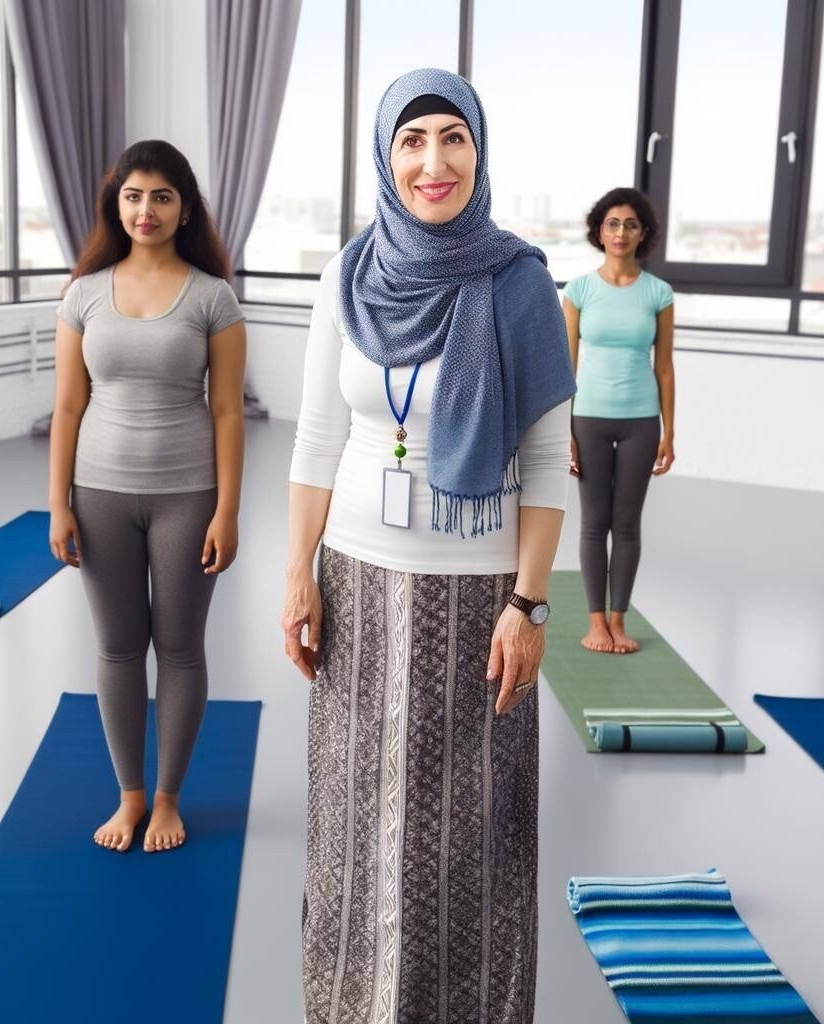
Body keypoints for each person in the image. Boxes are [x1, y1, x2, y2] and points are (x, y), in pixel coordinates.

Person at [283, 69, 575, 1023]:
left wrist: (528, 606)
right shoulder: (349, 275)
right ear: (384, 155)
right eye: (412, 142)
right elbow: (317, 439)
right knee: (354, 821)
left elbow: (543, 459)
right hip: (359, 581)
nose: (433, 162)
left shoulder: (521, 283)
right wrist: (299, 575)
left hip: (476, 591)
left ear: (480, 152)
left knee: (472, 834)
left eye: (454, 138)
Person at [46, 140, 247, 855]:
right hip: (98, 493)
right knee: (118, 649)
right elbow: (67, 406)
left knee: (181, 649)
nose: (146, 209)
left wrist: (227, 510)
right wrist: (58, 503)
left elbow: (227, 411)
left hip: (187, 494)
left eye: (161, 196)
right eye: (134, 195)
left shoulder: (212, 297)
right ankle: (129, 795)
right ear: (116, 204)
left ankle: (168, 798)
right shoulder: (83, 293)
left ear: (183, 207)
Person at [562, 187, 676, 654]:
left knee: (627, 524)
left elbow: (664, 367)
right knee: (594, 522)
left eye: (630, 224)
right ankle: (595, 623)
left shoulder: (659, 293)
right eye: (612, 223)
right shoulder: (580, 290)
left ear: (643, 232)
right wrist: (563, 430)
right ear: (599, 231)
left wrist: (670, 431)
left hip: (640, 421)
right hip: (588, 417)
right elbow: (564, 365)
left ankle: (618, 620)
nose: (621, 232)